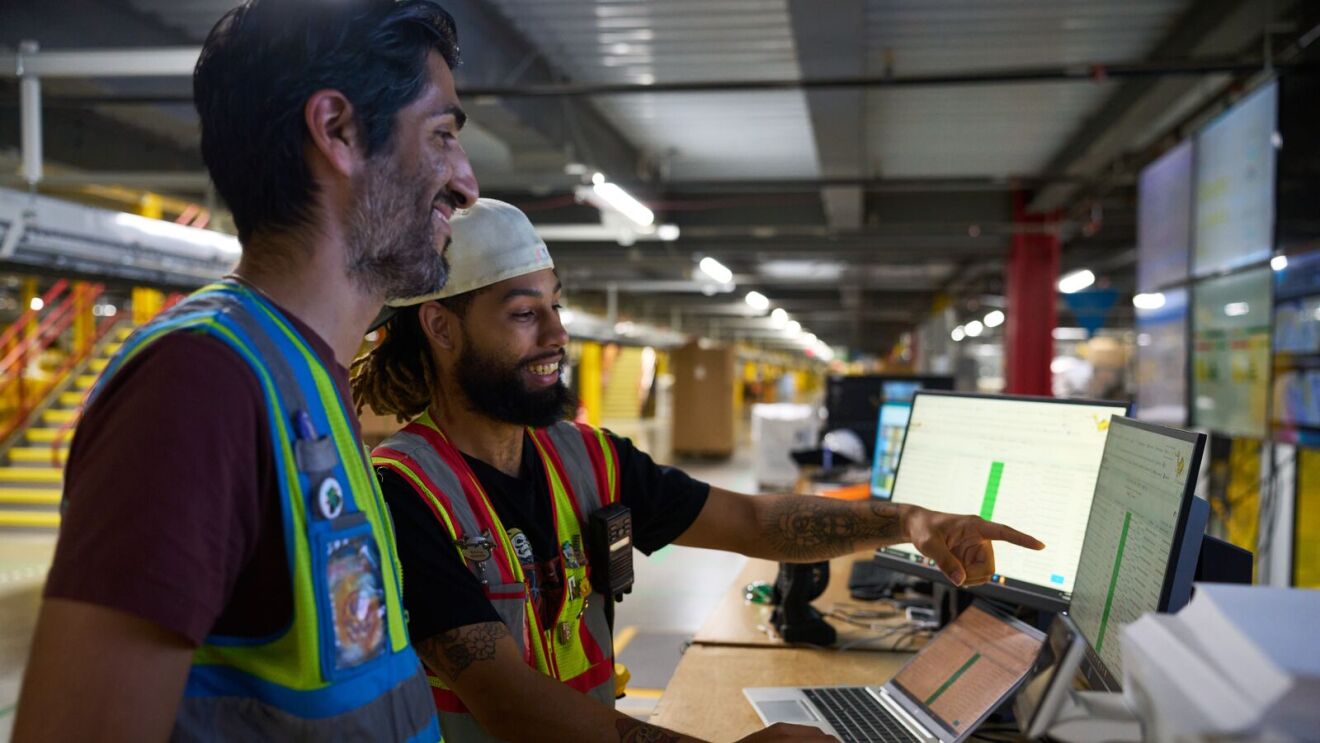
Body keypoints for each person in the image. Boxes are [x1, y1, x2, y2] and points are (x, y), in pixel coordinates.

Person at [351, 198, 1046, 743]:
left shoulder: (587, 459)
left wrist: (908, 520)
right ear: (441, 329)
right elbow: (504, 701)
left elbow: (752, 520)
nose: (558, 335)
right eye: (525, 314)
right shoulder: (403, 493)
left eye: (555, 306)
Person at [13, 0, 478, 739]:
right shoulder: (199, 389)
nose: (466, 181)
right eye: (444, 135)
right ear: (338, 131)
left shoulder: (304, 378)